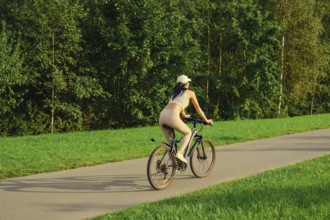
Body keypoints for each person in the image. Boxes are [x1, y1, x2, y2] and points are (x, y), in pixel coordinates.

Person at [159, 75, 213, 164]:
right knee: (188, 133)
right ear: (186, 84)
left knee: (170, 145)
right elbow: (198, 109)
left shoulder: (174, 94)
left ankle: (173, 166)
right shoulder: (190, 93)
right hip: (172, 116)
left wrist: (184, 115)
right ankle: (180, 154)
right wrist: (206, 120)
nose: (189, 84)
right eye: (188, 82)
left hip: (162, 116)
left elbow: (177, 105)